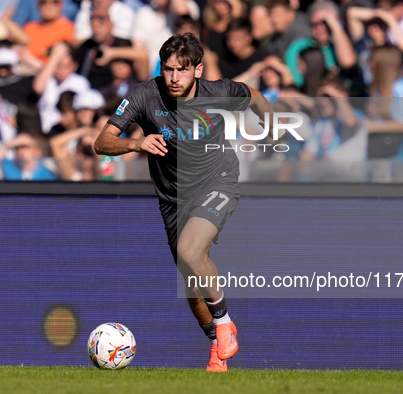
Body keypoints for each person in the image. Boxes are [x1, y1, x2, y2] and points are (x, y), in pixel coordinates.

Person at [94, 33, 274, 372]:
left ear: (198, 70)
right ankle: (215, 345)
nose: (174, 78)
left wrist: (273, 127)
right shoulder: (145, 95)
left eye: (183, 70)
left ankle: (224, 323)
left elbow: (255, 97)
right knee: (190, 279)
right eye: (168, 69)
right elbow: (101, 142)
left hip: (218, 180)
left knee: (191, 253)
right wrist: (136, 143)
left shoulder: (218, 92)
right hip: (173, 197)